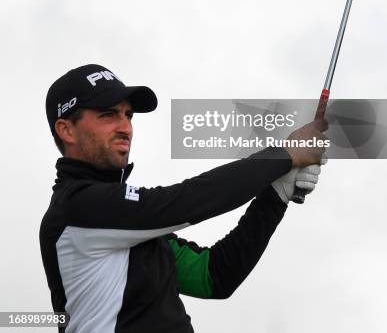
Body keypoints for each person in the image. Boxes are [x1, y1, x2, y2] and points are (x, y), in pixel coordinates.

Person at [40, 64, 327, 333]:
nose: (125, 127)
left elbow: (214, 276)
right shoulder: (77, 207)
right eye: (108, 115)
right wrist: (285, 155)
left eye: (128, 115)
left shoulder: (130, 228)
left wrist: (274, 196)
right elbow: (189, 200)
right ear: (66, 130)